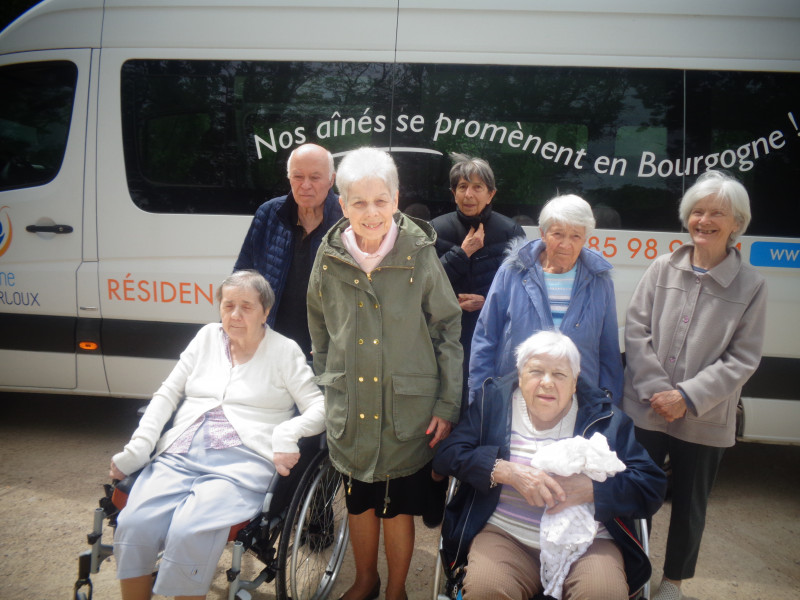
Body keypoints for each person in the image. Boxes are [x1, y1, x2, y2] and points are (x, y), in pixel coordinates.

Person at [109, 270, 326, 600]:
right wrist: (139, 447)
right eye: (228, 306)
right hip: (179, 453)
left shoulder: (285, 351)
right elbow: (167, 394)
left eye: (246, 307)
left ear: (266, 311)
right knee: (135, 523)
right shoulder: (206, 338)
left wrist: (287, 434)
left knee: (188, 531)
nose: (235, 315)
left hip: (241, 464)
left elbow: (319, 408)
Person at [307, 147, 462, 600]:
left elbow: (447, 329)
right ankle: (365, 579)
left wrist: (447, 403)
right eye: (359, 203)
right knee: (358, 501)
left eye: (380, 201)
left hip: (405, 409)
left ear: (396, 199)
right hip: (351, 405)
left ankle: (395, 589)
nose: (371, 213)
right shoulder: (329, 256)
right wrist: (327, 382)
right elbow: (318, 325)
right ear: (343, 206)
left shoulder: (419, 254)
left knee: (397, 508)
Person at [433, 330, 667, 600]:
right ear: (520, 376)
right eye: (535, 372)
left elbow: (651, 487)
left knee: (603, 593)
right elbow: (448, 454)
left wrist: (592, 489)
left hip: (586, 543)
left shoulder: (607, 420)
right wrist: (504, 470)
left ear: (575, 382)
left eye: (559, 374)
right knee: (487, 590)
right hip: (507, 536)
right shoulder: (493, 403)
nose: (546, 383)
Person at [622, 170, 767, 600]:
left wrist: (686, 397)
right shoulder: (662, 266)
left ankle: (673, 583)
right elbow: (635, 330)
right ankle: (632, 570)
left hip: (705, 417)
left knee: (689, 506)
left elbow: (744, 357)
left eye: (716, 214)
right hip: (647, 408)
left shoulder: (751, 285)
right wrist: (656, 391)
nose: (704, 220)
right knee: (635, 493)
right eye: (697, 211)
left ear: (736, 223)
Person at [469, 194, 623, 405]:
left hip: (577, 402)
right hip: (513, 397)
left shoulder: (600, 280)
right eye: (558, 234)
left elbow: (609, 352)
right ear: (543, 233)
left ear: (585, 237)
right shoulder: (513, 272)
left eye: (576, 236)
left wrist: (608, 403)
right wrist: (480, 397)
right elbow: (485, 337)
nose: (566, 244)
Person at [431, 154, 525, 414]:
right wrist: (463, 253)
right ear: (453, 193)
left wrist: (486, 303)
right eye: (462, 187)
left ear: (491, 194)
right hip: (445, 335)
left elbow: (522, 293)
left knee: (484, 405)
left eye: (477, 187)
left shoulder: (511, 233)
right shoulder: (436, 230)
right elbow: (423, 286)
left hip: (490, 333)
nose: (468, 194)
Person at [234, 143, 342, 358]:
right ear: (289, 178)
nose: (305, 185)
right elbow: (242, 280)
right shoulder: (269, 214)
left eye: (315, 177)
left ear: (331, 179)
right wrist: (234, 336)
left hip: (325, 352)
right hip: (271, 347)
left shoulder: (347, 220)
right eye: (298, 177)